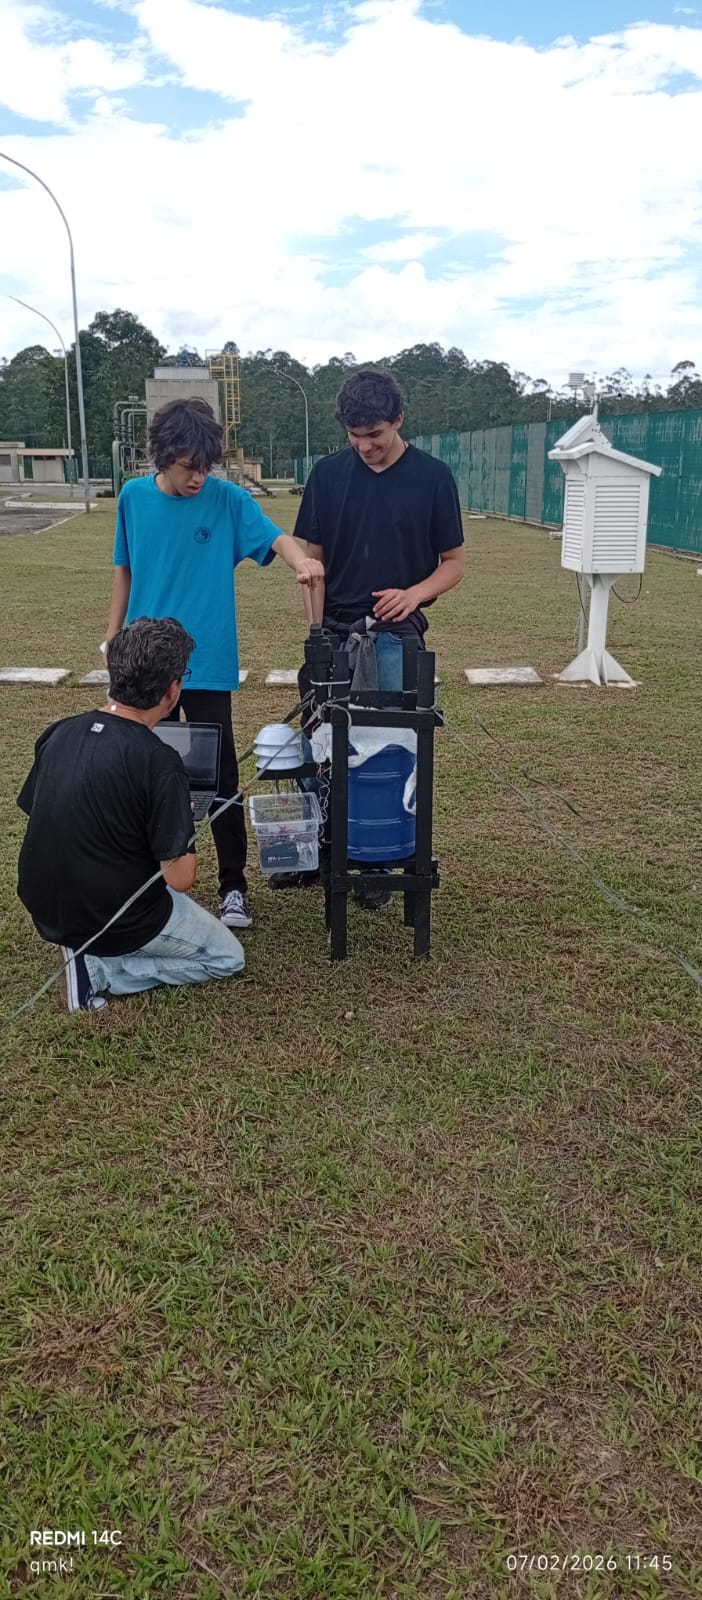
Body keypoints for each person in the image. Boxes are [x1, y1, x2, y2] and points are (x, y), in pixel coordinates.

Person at [104, 397, 323, 931]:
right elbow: (124, 570)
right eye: (186, 467)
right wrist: (112, 637)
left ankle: (233, 888)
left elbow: (275, 537)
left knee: (219, 773)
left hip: (207, 664)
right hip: (142, 662)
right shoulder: (133, 498)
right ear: (161, 457)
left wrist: (303, 562)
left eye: (205, 466)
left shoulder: (227, 499)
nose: (198, 477)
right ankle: (150, 886)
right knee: (141, 775)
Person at [273, 367, 466, 896]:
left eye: (375, 436)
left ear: (398, 421)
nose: (365, 448)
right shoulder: (327, 475)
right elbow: (312, 559)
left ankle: (381, 856)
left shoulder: (432, 477)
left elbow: (454, 563)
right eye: (355, 438)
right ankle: (317, 849)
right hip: (333, 634)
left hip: (396, 636)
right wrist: (314, 629)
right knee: (318, 744)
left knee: (390, 747)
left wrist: (415, 593)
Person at [17, 618, 248, 1013]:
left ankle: (85, 952)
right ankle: (101, 971)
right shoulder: (160, 761)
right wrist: (178, 819)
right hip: (116, 918)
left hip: (44, 903)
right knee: (227, 957)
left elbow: (43, 809)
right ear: (173, 690)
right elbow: (180, 879)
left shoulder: (59, 731)